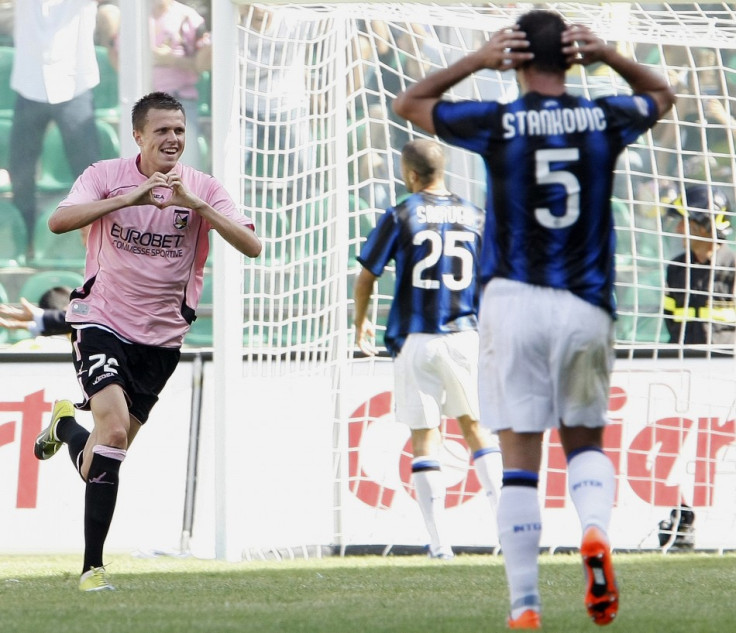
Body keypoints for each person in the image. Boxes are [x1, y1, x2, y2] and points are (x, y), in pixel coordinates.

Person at [393, 9, 675, 629]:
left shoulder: (498, 122)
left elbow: (409, 102)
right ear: (571, 57)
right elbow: (662, 94)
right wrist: (609, 56)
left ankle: (524, 605)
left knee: (520, 457)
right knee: (584, 441)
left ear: (517, 57)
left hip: (512, 301)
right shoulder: (604, 116)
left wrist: (479, 60)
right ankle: (595, 534)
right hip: (585, 304)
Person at [33, 91, 261, 592]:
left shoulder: (201, 187)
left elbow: (252, 245)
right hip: (101, 319)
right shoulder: (104, 175)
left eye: (179, 130)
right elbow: (58, 221)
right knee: (112, 433)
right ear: (138, 136)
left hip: (160, 340)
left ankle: (66, 426)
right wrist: (128, 198)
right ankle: (92, 570)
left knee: (99, 457)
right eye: (162, 130)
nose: (173, 139)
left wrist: (197, 205)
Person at [354, 139, 502, 560]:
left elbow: (367, 275)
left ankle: (440, 545)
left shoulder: (402, 212)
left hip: (416, 338)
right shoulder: (475, 216)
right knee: (476, 429)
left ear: (410, 175)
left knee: (425, 437)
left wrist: (361, 321)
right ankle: (508, 533)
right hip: (465, 335)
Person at [8, 0, 103, 260]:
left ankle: (101, 242)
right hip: (30, 84)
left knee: (89, 172)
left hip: (74, 84)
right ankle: (25, 241)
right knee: (21, 171)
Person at [663, 184, 735, 347]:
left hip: (725, 367)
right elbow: (670, 319)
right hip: (681, 362)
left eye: (684, 221)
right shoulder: (676, 269)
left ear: (704, 225)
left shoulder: (733, 267)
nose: (678, 229)